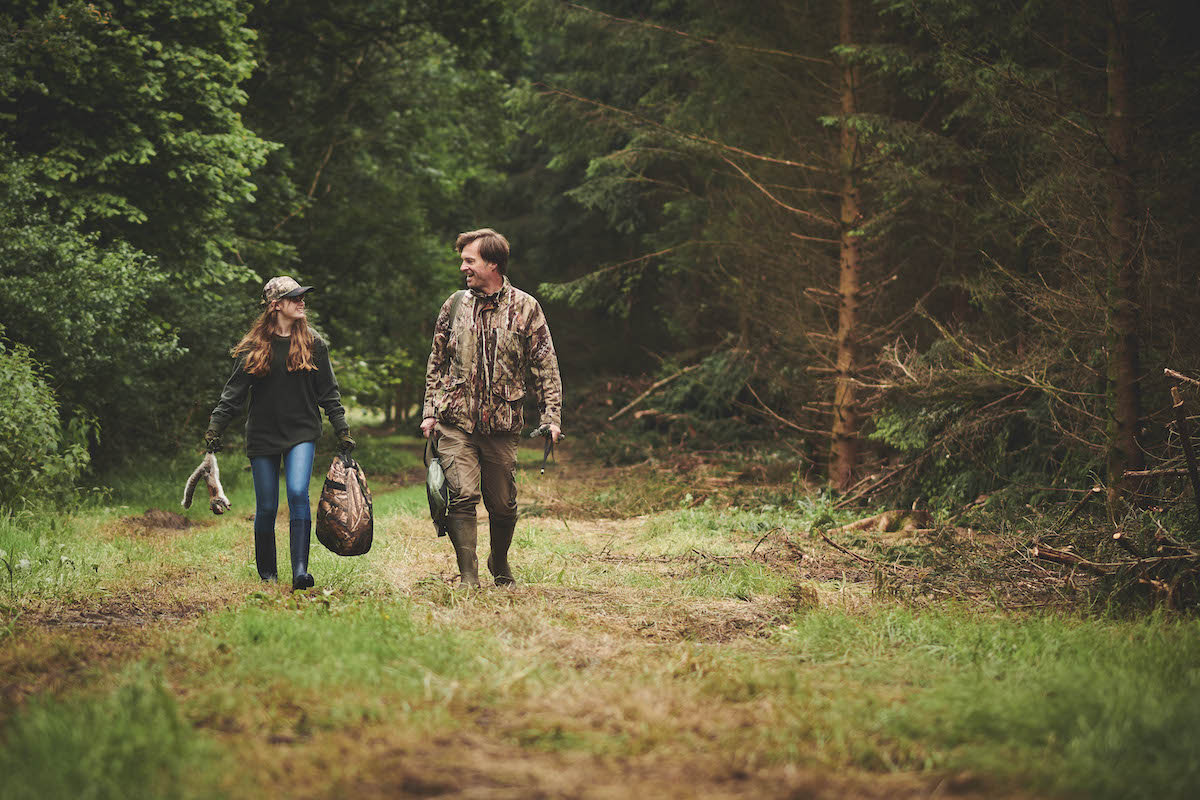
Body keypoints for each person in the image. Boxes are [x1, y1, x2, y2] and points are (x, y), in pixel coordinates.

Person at [421, 228, 562, 587]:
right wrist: (429, 411)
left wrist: (551, 416)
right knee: (462, 496)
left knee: (502, 506)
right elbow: (436, 361)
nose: (463, 268)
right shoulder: (453, 305)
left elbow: (545, 365)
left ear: (493, 263)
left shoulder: (526, 307)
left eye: (470, 261)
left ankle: (498, 559)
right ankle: (468, 576)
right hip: (455, 421)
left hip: (502, 424)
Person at [204, 276, 355, 590]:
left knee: (298, 492)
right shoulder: (253, 347)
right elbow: (232, 396)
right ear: (275, 306)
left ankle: (300, 571)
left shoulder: (314, 343)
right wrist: (215, 428)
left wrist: (342, 430)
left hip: (301, 431)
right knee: (268, 506)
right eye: (294, 298)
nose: (302, 302)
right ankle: (268, 575)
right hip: (262, 434)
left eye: (302, 297)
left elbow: (329, 393)